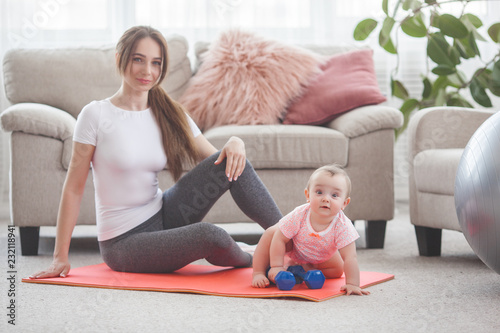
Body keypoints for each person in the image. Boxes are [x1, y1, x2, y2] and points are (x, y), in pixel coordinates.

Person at [30, 26, 282, 278]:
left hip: (164, 212)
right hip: (124, 243)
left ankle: (291, 241)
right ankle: (260, 258)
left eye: (155, 63)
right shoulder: (95, 115)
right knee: (210, 236)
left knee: (237, 163)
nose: (147, 71)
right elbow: (73, 188)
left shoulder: (168, 111)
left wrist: (235, 142)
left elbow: (220, 163)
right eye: (138, 59)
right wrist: (59, 258)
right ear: (120, 58)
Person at [251, 164, 370, 296]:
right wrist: (276, 267)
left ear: (344, 203)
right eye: (319, 192)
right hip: (295, 247)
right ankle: (258, 272)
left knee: (338, 269)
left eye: (334, 195)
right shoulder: (300, 214)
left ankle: (303, 269)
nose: (325, 199)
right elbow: (280, 238)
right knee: (272, 232)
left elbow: (350, 257)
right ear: (308, 195)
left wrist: (352, 284)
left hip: (322, 255)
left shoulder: (343, 226)